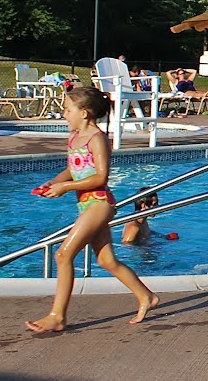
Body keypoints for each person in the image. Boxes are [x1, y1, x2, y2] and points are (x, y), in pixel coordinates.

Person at [25, 86, 159, 333]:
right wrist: (54, 182)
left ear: (84, 113)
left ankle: (57, 316)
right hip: (86, 204)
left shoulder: (97, 139)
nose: (64, 115)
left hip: (99, 203)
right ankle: (146, 296)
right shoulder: (75, 138)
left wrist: (65, 187)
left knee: (63, 255)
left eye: (67, 110)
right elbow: (73, 170)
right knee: (107, 260)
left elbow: (100, 177)